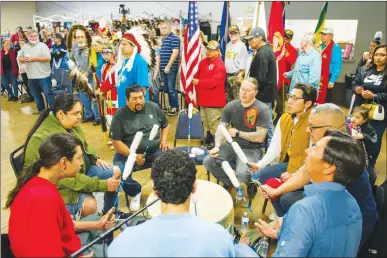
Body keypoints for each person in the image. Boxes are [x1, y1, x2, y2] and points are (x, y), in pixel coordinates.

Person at [257, 103, 378, 248]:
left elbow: (323, 215)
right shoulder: (328, 142)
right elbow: (305, 172)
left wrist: (286, 230)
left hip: (351, 222)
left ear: (331, 128)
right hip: (335, 209)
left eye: (312, 127)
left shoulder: (342, 154)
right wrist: (276, 192)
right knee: (287, 198)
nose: (308, 130)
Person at [108, 149, 257, 257]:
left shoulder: (123, 242)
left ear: (154, 190)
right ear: (194, 187)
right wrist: (243, 250)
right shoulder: (220, 238)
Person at [256, 131, 364, 257]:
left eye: (315, 149)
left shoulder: (305, 210)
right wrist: (284, 232)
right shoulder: (352, 203)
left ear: (329, 167)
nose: (307, 150)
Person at [22, 93, 130, 219]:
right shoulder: (45, 139)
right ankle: (82, 228)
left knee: (115, 172)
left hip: (79, 172)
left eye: (80, 112)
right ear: (61, 114)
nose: (80, 117)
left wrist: (94, 158)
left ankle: (110, 214)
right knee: (90, 205)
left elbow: (84, 144)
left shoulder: (70, 124)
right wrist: (102, 185)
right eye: (76, 113)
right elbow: (63, 179)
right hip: (57, 186)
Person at [7, 133, 110, 257]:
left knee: (98, 220)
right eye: (79, 158)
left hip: (66, 245)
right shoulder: (45, 199)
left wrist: (97, 225)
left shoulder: (38, 183)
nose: (81, 163)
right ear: (64, 162)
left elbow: (63, 225)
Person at [249, 83, 317, 217]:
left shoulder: (313, 122)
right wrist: (260, 164)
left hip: (307, 170)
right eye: (289, 96)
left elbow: (313, 158)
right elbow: (275, 146)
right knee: (258, 177)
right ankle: (281, 212)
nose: (289, 101)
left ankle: (287, 215)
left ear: (308, 103)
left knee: (285, 196)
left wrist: (295, 175)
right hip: (288, 163)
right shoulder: (285, 118)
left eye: (295, 98)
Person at [203, 78, 270, 190]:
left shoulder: (262, 109)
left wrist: (238, 133)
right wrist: (217, 146)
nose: (243, 92)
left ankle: (250, 183)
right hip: (232, 146)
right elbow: (221, 128)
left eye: (248, 90)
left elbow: (260, 137)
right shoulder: (231, 106)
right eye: (242, 89)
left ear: (256, 93)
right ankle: (230, 182)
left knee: (242, 174)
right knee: (208, 161)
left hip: (252, 149)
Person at [110, 85, 170, 211]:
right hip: (127, 154)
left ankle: (160, 190)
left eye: (141, 97)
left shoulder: (153, 107)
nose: (139, 101)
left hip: (154, 151)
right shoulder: (119, 116)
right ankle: (135, 192)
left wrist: (164, 141)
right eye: (134, 99)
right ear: (126, 100)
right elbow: (116, 142)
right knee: (118, 172)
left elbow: (165, 125)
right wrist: (132, 156)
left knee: (170, 163)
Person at [352, 44, 387, 167]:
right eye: (376, 54)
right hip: (360, 110)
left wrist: (374, 96)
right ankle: (355, 163)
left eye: (382, 55)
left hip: (379, 113)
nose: (378, 57)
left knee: (373, 139)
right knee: (356, 134)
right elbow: (355, 83)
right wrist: (358, 90)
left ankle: (369, 165)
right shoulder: (364, 70)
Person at [245, 27, 276, 145]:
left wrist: (248, 84)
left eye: (251, 39)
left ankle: (271, 152)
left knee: (266, 126)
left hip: (263, 96)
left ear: (260, 38)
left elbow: (261, 78)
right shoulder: (265, 51)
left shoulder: (262, 54)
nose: (249, 42)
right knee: (265, 125)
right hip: (265, 95)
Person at [193, 40, 227, 149]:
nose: (208, 51)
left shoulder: (220, 65)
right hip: (203, 100)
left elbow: (214, 82)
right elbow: (197, 76)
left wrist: (199, 82)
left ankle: (216, 142)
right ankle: (208, 138)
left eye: (212, 50)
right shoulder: (203, 62)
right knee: (205, 122)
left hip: (214, 101)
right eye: (207, 49)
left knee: (214, 123)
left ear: (217, 51)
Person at [67, 24, 101, 125]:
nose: (80, 39)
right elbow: (72, 60)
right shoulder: (74, 47)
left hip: (92, 76)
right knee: (84, 97)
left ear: (86, 37)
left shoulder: (92, 46)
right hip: (81, 77)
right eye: (78, 37)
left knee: (94, 97)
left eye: (82, 37)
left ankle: (97, 117)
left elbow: (95, 62)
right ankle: (88, 115)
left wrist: (88, 72)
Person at [115, 26, 155, 108]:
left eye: (125, 44)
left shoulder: (139, 62)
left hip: (134, 108)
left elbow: (142, 89)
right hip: (124, 105)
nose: (121, 47)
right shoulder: (124, 61)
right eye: (121, 44)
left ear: (134, 46)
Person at [18, 30, 54, 112]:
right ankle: (41, 110)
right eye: (31, 36)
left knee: (48, 94)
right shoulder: (24, 47)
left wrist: (34, 59)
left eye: (35, 36)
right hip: (31, 76)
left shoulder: (43, 46)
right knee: (36, 95)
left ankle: (53, 111)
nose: (33, 38)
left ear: (37, 36)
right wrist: (24, 59)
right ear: (27, 37)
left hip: (44, 76)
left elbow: (48, 58)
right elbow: (20, 59)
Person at [275, 29, 298, 123]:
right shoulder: (277, 46)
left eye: (287, 38)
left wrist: (286, 53)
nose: (285, 39)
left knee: (281, 100)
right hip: (275, 77)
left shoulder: (293, 49)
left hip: (284, 79)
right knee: (274, 97)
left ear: (291, 39)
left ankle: (279, 115)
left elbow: (292, 62)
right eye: (283, 36)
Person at [317, 27, 342, 104]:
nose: (322, 36)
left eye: (325, 34)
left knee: (326, 99)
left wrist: (332, 80)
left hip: (328, 77)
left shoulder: (335, 47)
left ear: (331, 36)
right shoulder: (319, 46)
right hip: (317, 76)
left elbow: (337, 65)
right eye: (321, 34)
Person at [159, 21, 180, 115]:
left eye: (165, 28)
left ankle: (175, 107)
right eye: (161, 28)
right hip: (163, 68)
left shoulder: (174, 38)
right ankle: (171, 106)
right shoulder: (163, 39)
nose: (163, 30)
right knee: (167, 89)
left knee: (171, 88)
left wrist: (168, 66)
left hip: (170, 68)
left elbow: (175, 53)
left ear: (170, 28)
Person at [348, 106, 377, 173]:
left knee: (372, 176)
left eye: (357, 117)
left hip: (361, 158)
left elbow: (374, 140)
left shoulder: (368, 129)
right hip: (347, 157)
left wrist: (364, 136)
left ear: (364, 120)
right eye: (352, 116)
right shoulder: (346, 125)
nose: (353, 119)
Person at [225, 25, 248, 102]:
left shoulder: (242, 46)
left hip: (237, 75)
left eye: (235, 33)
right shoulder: (228, 45)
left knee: (238, 98)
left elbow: (244, 61)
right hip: (228, 75)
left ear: (238, 33)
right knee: (229, 98)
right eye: (231, 33)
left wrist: (240, 74)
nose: (233, 35)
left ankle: (238, 114)